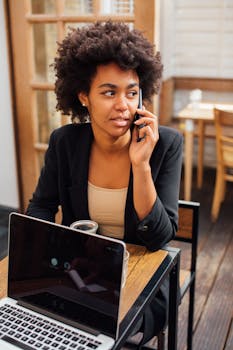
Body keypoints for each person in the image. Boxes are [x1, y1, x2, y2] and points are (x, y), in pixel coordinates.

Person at [26, 20, 183, 346]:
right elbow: (41, 206)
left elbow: (160, 238)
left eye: (132, 92)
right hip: (79, 269)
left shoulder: (165, 145)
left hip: (144, 276)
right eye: (109, 92)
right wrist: (40, 249)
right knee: (40, 315)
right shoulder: (64, 143)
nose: (123, 105)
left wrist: (140, 166)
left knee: (100, 325)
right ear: (84, 96)